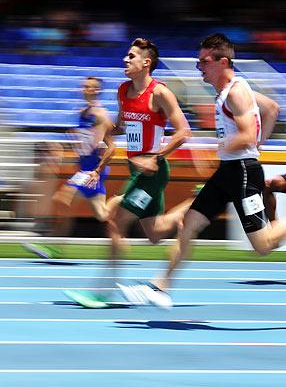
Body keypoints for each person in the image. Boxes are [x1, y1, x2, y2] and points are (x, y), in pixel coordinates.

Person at [119, 33, 283, 308]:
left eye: (204, 62)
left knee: (263, 245)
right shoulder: (231, 91)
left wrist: (235, 148)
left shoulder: (238, 92)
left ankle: (161, 286)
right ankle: (160, 287)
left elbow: (245, 134)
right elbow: (272, 108)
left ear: (223, 62)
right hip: (229, 170)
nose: (199, 68)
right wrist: (259, 144)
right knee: (188, 224)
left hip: (242, 173)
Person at [64, 38, 193, 308]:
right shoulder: (123, 91)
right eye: (126, 55)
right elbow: (123, 127)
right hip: (136, 169)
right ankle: (197, 204)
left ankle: (102, 291)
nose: (125, 59)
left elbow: (184, 132)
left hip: (152, 172)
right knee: (156, 233)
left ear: (146, 63)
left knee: (114, 220)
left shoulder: (160, 93)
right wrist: (98, 132)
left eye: (131, 56)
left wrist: (155, 158)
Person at [23, 77, 119, 258]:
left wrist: (97, 170)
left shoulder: (101, 115)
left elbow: (111, 147)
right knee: (102, 214)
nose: (84, 89)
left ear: (96, 91)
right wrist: (68, 143)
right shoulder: (82, 112)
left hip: (91, 169)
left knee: (62, 198)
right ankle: (123, 199)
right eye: (83, 86)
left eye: (89, 87)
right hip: (84, 167)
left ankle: (55, 244)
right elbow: (84, 141)